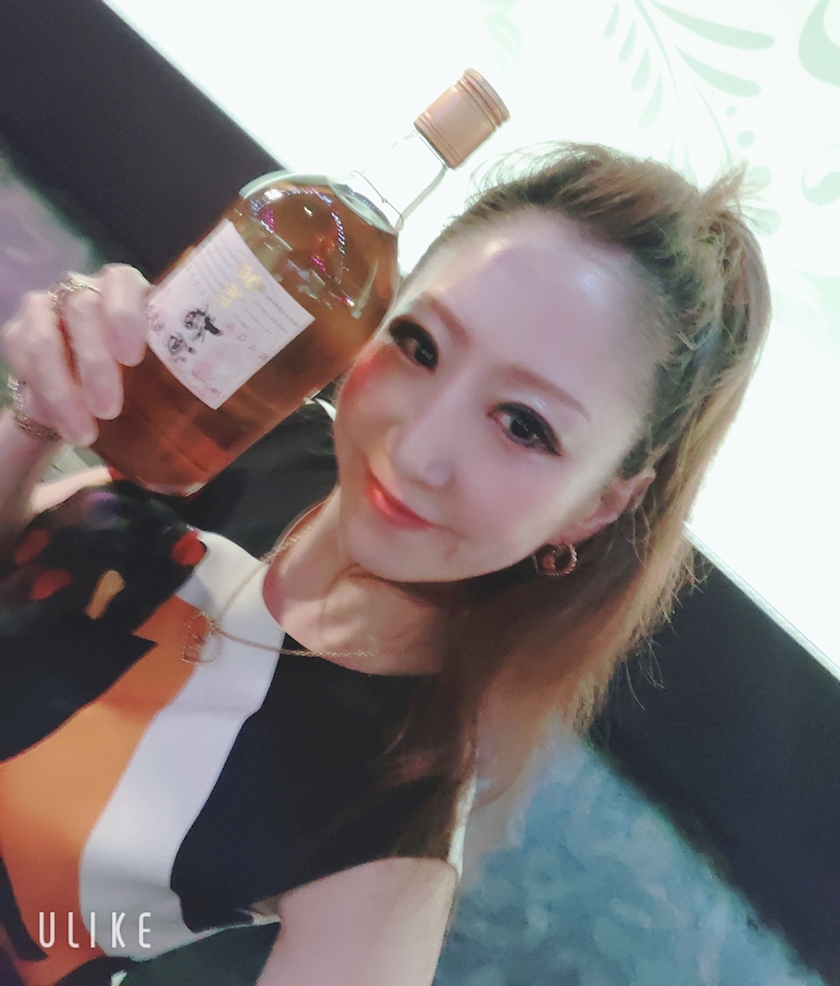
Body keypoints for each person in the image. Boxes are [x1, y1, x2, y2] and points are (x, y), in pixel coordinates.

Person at [0, 143, 771, 986]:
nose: (414, 449)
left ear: (599, 505)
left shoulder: (383, 836)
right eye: (419, 344)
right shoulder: (250, 435)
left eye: (524, 426)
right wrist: (37, 419)